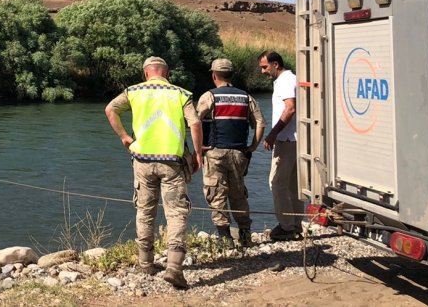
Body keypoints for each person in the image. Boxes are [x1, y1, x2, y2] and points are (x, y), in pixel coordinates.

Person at [105, 56, 203, 289]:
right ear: (166, 74)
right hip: (172, 161)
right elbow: (196, 124)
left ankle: (145, 262)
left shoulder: (133, 91)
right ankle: (174, 268)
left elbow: (110, 109)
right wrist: (197, 154)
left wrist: (124, 137)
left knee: (145, 210)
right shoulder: (181, 94)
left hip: (143, 160)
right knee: (176, 212)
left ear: (146, 73)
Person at [196, 58, 266, 247]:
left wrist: (198, 148)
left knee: (216, 193)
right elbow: (260, 122)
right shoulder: (246, 97)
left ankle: (224, 238)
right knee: (238, 193)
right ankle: (245, 234)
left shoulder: (209, 96)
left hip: (215, 151)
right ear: (231, 74)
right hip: (239, 152)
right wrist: (252, 146)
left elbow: (194, 122)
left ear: (214, 75)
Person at [258, 50, 304, 241]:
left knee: (276, 183)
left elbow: (290, 108)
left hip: (286, 140)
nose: (263, 72)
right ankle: (296, 225)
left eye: (265, 67)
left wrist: (272, 134)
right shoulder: (292, 78)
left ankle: (286, 227)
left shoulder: (285, 80)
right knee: (293, 186)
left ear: (275, 64)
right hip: (297, 139)